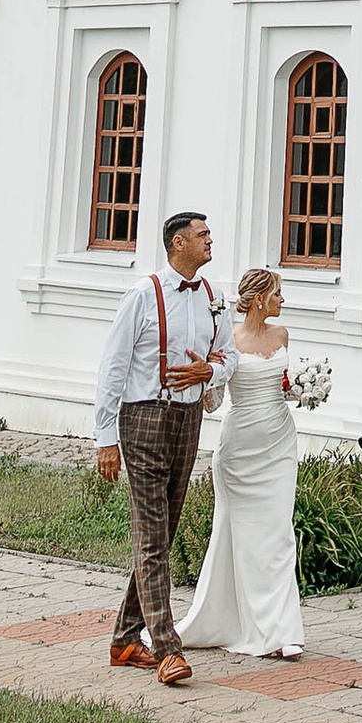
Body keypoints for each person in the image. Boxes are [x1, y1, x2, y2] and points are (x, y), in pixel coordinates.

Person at [93, 207, 225, 688]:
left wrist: (209, 372)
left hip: (188, 419)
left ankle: (126, 638)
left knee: (162, 535)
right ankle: (167, 649)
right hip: (144, 418)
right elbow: (113, 366)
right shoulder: (142, 295)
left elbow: (226, 353)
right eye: (202, 235)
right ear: (178, 244)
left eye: (209, 234)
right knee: (152, 536)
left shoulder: (212, 295)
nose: (210, 241)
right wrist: (106, 437)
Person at [180, 263, 306, 660]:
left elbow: (282, 384)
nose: (282, 300)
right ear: (257, 300)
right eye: (277, 294)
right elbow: (216, 401)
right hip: (238, 452)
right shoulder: (229, 341)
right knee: (241, 538)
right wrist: (205, 382)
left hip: (279, 446)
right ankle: (231, 621)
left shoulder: (282, 334)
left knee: (279, 533)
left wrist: (303, 388)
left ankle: (282, 630)